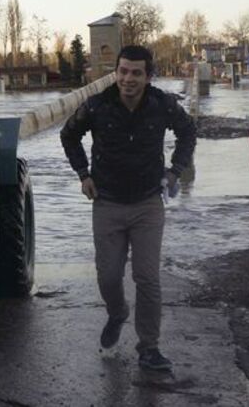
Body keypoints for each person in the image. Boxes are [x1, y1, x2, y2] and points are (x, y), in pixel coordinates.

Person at [59, 45, 196, 372]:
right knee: (108, 277)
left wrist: (175, 170)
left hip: (148, 202)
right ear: (116, 73)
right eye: (123, 71)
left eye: (136, 73)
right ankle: (117, 312)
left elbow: (188, 130)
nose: (128, 79)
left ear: (148, 76)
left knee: (147, 277)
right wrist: (83, 175)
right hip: (106, 202)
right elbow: (69, 136)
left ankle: (149, 347)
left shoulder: (162, 105)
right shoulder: (96, 106)